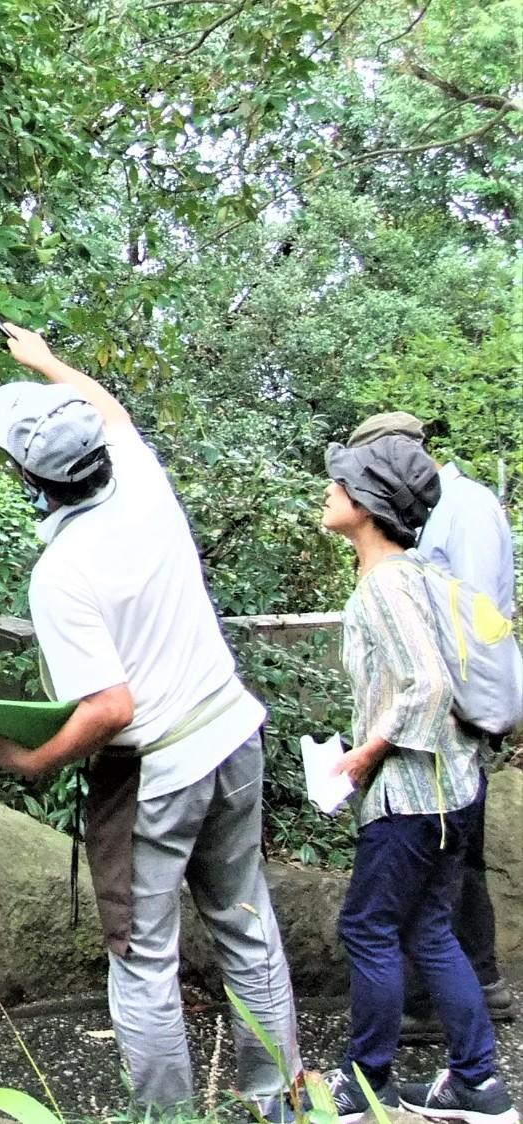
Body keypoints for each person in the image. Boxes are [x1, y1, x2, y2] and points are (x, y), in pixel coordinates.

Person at [0, 327, 300, 1117]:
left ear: (29, 478)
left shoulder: (63, 571)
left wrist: (34, 760)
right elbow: (110, 408)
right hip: (232, 732)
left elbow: (110, 708)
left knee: (145, 961)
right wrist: (47, 361)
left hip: (159, 768)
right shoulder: (143, 479)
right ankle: (277, 1105)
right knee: (245, 924)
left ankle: (167, 1118)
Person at [320, 435, 517, 1124]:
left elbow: (426, 684)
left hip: (410, 797)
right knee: (430, 931)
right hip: (453, 790)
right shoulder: (422, 575)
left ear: (368, 506)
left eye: (340, 485)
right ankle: (477, 1083)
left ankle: (364, 1083)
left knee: (368, 927)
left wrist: (366, 752)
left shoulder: (384, 585)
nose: (328, 492)